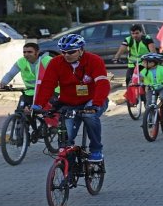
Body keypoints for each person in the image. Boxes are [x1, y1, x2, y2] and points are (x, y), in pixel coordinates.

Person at [31, 34, 110, 162]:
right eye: (63, 52)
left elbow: (102, 84)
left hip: (92, 100)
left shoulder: (94, 60)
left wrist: (95, 104)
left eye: (71, 52)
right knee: (66, 138)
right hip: (69, 102)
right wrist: (38, 104)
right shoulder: (56, 62)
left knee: (89, 117)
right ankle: (68, 169)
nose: (67, 55)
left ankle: (96, 150)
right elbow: (47, 85)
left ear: (81, 50)